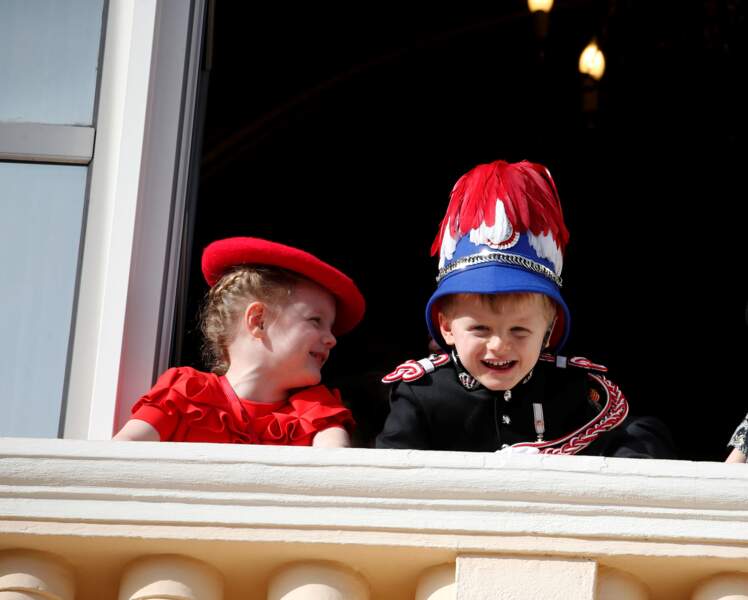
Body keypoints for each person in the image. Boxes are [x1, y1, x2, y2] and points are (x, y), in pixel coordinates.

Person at [376, 159, 675, 457]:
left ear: (547, 331)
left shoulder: (570, 389)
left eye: (519, 330)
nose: (499, 344)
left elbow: (641, 433)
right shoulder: (420, 394)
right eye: (480, 328)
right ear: (446, 326)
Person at [114, 237, 365, 447]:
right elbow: (119, 459)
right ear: (258, 321)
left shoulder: (315, 411)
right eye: (315, 320)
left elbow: (336, 473)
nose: (331, 339)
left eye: (330, 328)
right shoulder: (185, 395)